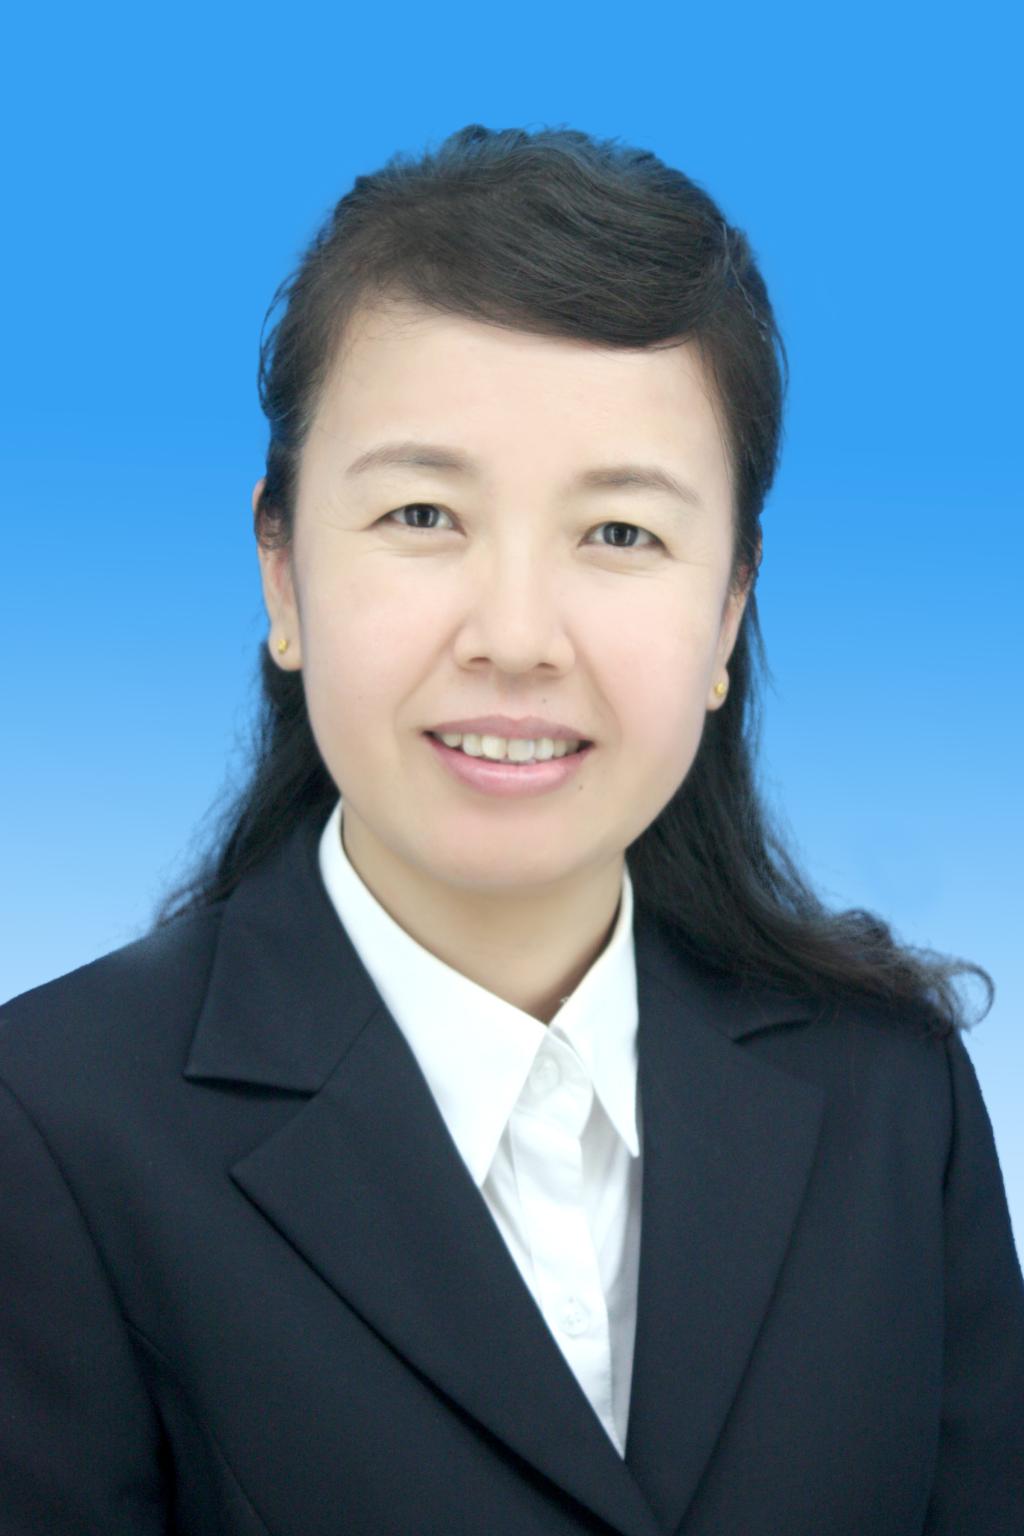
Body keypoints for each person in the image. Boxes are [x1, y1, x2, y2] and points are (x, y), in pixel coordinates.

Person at [1, 123, 1021, 1536]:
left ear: (729, 608)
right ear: (282, 574)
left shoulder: (891, 1100)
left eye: (620, 534)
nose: (520, 637)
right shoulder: (48, 1129)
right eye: (424, 513)